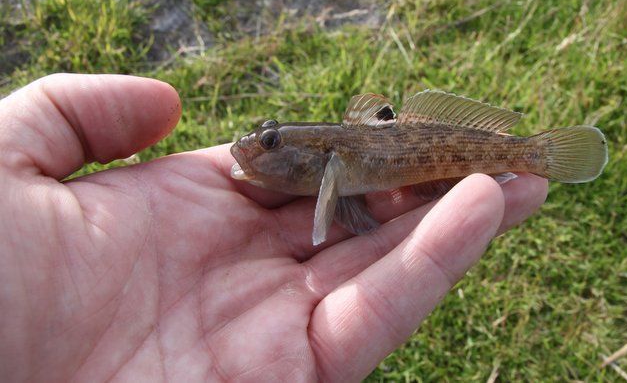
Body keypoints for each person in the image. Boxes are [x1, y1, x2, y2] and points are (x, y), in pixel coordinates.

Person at [0, 73, 547, 381]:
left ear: (315, 154)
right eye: (267, 139)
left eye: (271, 143)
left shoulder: (338, 150)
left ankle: (535, 154)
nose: (257, 148)